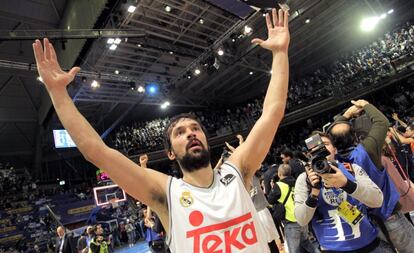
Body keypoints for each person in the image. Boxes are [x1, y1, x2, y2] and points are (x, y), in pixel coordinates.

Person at [32, 7, 290, 253]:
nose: (190, 133)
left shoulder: (237, 169)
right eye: (180, 132)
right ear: (170, 153)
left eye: (195, 129)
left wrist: (280, 53)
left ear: (205, 140)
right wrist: (58, 92)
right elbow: (95, 151)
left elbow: (272, 113)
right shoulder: (165, 192)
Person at [327, 100, 414, 252]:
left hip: (365, 224)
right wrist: (365, 105)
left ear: (333, 144)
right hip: (389, 214)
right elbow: (382, 122)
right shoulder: (368, 149)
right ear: (355, 136)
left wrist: (346, 115)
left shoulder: (332, 164)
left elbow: (329, 134)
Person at [295, 132, 393, 252]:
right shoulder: (304, 179)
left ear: (335, 150)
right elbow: (301, 220)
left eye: (325, 144)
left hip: (370, 245)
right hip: (331, 249)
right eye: (314, 148)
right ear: (309, 154)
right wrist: (314, 193)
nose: (320, 150)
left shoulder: (351, 169)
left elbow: (378, 201)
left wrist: (346, 183)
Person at [268, 164, 320, 253]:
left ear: (279, 174)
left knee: (293, 249)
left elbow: (270, 200)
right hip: (302, 218)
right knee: (306, 242)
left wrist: (272, 187)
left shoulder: (279, 185)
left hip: (291, 221)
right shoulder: (297, 182)